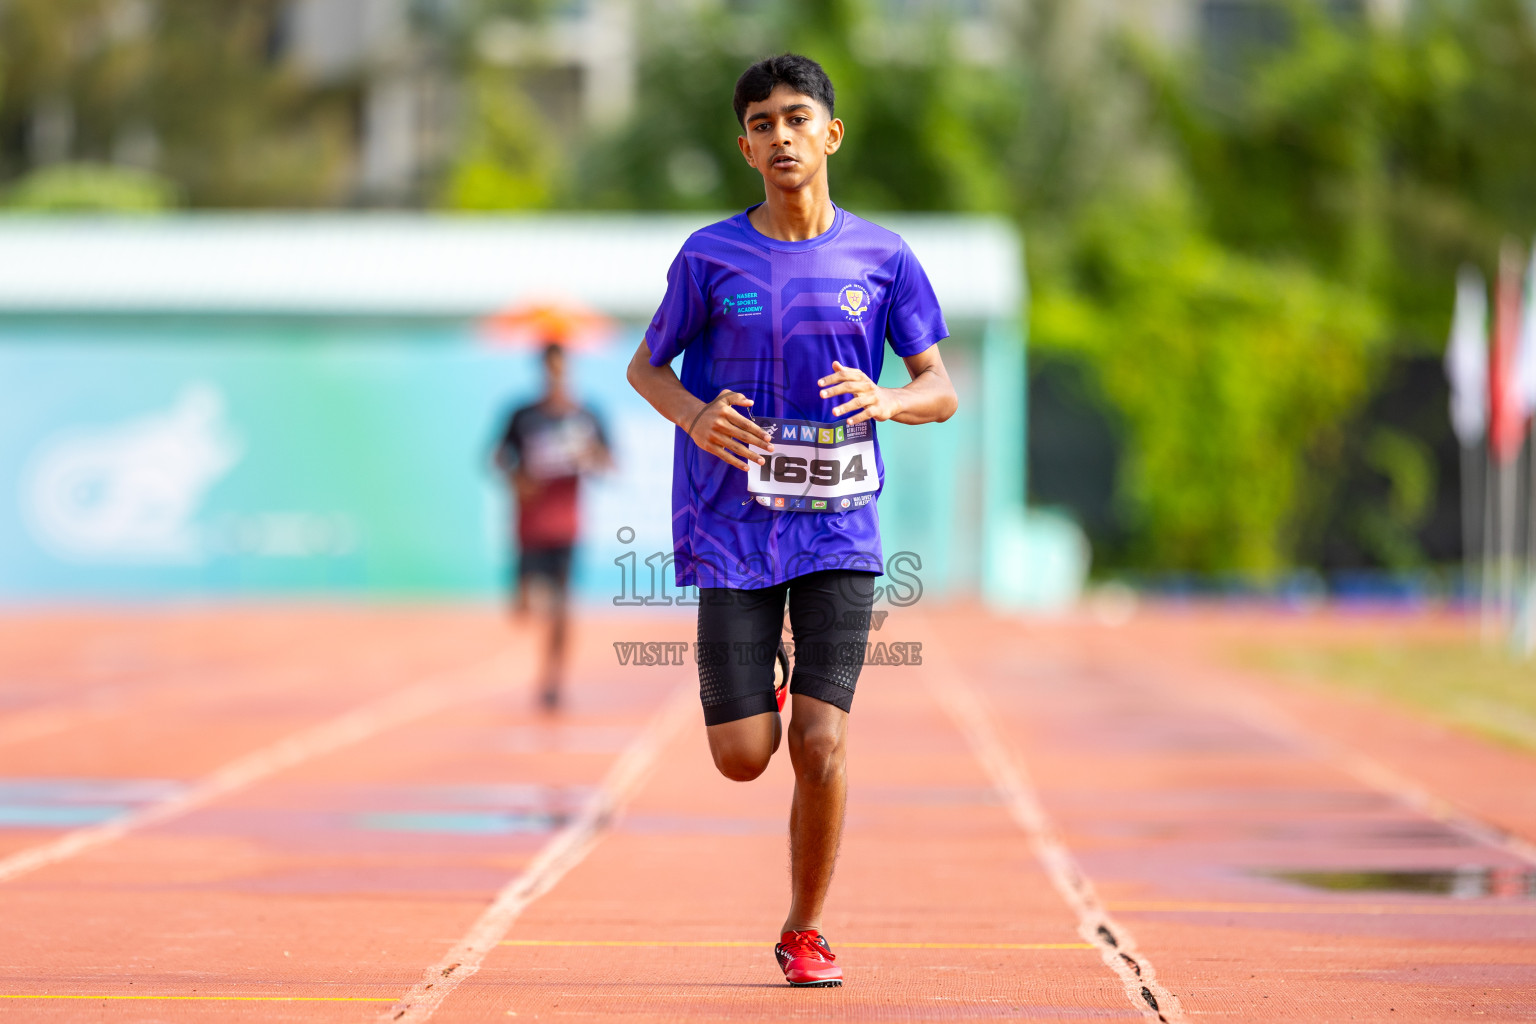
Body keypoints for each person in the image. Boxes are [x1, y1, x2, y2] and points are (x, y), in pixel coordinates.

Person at [626, 53, 957, 987]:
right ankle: (765, 677)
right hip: (731, 529)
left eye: (798, 118)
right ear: (745, 146)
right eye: (763, 123)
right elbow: (646, 368)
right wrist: (694, 413)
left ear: (831, 134)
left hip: (838, 531)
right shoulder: (709, 256)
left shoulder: (883, 259)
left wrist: (890, 402)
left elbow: (941, 388)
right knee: (743, 758)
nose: (782, 135)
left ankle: (806, 927)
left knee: (821, 742)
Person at [494, 342, 612, 710]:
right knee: (526, 605)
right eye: (549, 369)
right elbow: (498, 456)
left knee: (561, 607)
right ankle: (524, 589)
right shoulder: (522, 415)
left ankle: (552, 680)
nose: (555, 375)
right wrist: (518, 480)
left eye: (561, 368)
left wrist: (588, 456)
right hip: (529, 524)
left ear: (569, 370)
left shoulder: (585, 415)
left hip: (566, 525)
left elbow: (608, 462)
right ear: (541, 370)